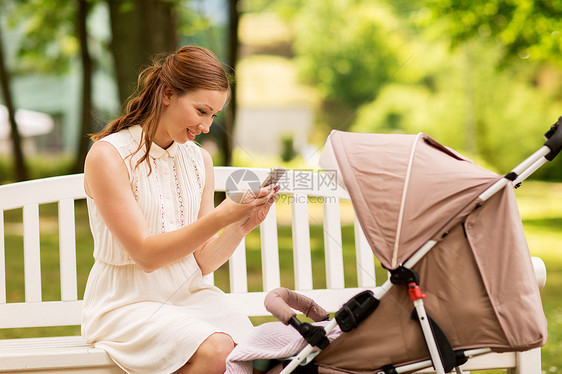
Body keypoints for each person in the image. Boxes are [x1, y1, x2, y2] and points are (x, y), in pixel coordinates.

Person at [81, 45, 279, 374]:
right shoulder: (108, 156)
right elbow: (145, 256)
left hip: (190, 297)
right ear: (168, 94)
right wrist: (222, 215)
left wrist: (242, 225)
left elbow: (201, 261)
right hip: (126, 305)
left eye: (214, 115)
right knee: (217, 349)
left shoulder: (199, 160)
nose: (206, 126)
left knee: (255, 353)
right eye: (201, 111)